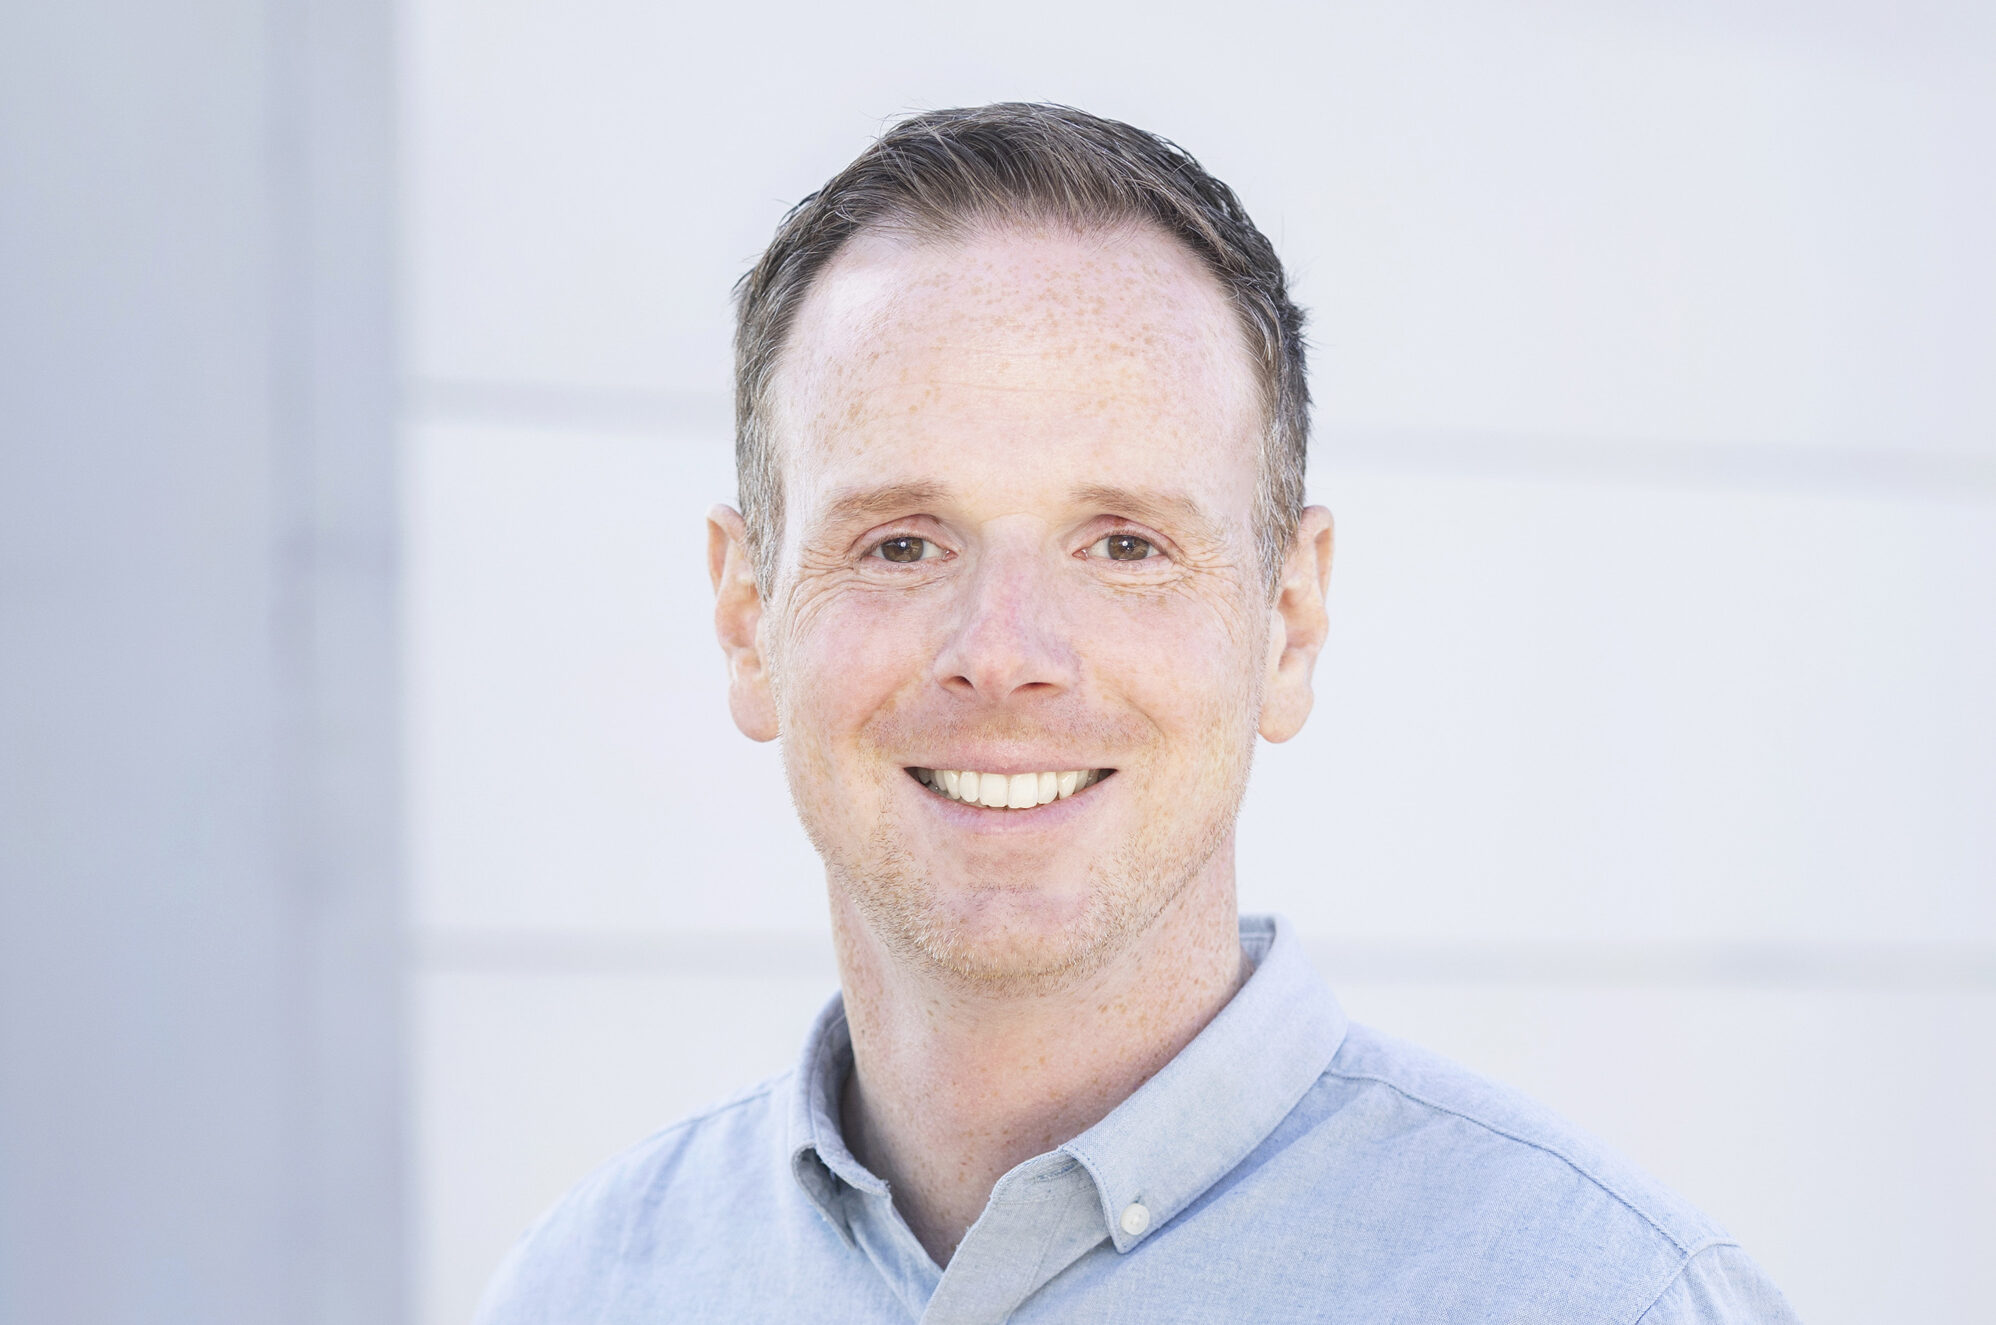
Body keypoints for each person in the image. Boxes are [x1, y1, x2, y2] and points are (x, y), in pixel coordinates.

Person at [476, 103, 1798, 1324]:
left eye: (1123, 545)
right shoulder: (582, 1289)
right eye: (901, 544)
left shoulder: (1606, 1300)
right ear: (744, 615)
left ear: (1290, 618)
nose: (1004, 655)